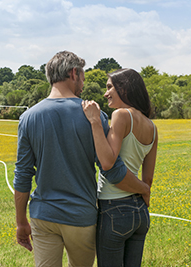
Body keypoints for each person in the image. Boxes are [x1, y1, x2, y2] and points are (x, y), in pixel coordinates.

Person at [14, 51, 150, 267]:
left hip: (43, 215)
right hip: (81, 218)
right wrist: (142, 188)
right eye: (83, 78)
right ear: (73, 73)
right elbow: (111, 169)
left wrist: (21, 222)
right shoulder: (93, 115)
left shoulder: (28, 117)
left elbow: (22, 174)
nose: (83, 85)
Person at [82, 68, 158, 267]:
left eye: (109, 87)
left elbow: (107, 163)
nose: (105, 93)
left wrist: (94, 121)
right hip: (140, 213)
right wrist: (144, 193)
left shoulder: (121, 115)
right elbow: (147, 180)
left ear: (124, 88)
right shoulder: (152, 127)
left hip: (113, 209)